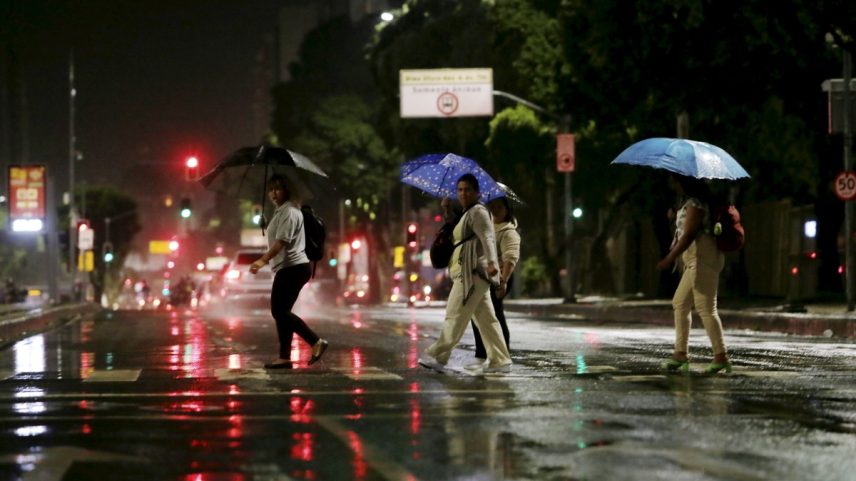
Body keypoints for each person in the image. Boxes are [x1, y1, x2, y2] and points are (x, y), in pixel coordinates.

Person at [420, 174, 512, 373]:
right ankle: (500, 359)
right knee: (487, 320)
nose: (463, 193)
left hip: (471, 275)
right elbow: (458, 232)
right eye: (460, 190)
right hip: (469, 274)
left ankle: (439, 355)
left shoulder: (478, 211)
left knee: (454, 315)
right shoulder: (467, 212)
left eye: (468, 189)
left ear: (477, 192)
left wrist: (492, 263)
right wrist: (446, 209)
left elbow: (487, 237)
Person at [250, 174, 328, 369]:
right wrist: (267, 225)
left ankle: (315, 341)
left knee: (278, 311)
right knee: (282, 312)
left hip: (292, 267)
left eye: (278, 189)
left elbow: (281, 242)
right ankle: (284, 357)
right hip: (290, 267)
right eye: (271, 190)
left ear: (287, 190)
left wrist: (262, 260)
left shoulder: (291, 212)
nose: (273, 193)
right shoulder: (281, 211)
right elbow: (278, 236)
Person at [656, 174, 731, 374]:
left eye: (675, 180)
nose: (673, 184)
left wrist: (669, 258)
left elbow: (689, 235)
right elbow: (685, 229)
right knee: (680, 303)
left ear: (683, 182)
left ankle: (720, 356)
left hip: (702, 257)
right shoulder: (688, 204)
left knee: (706, 307)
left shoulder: (696, 204)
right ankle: (680, 354)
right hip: (694, 259)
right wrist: (675, 216)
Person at [469, 195, 520, 363]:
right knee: (478, 314)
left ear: (507, 210)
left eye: (500, 207)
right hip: (481, 277)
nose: (496, 210)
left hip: (499, 277)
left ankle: (502, 353)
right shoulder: (486, 227)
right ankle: (482, 353)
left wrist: (502, 281)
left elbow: (510, 259)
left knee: (495, 315)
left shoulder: (508, 231)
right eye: (492, 207)